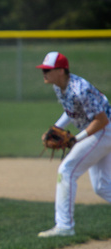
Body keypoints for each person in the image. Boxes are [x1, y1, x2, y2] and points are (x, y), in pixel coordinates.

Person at [36, 51, 111, 237]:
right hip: (99, 130)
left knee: (66, 170)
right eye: (43, 69)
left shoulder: (80, 89)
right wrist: (55, 128)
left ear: (61, 71)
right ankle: (64, 226)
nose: (44, 73)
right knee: (102, 186)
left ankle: (64, 226)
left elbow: (101, 120)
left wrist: (76, 139)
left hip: (103, 130)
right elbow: (71, 112)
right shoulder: (59, 86)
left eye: (48, 69)